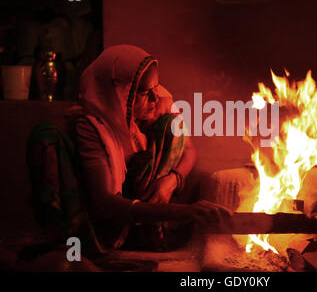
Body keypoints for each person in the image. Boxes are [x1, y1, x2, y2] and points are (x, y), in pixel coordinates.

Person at [27, 45, 231, 256]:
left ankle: (149, 233)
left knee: (173, 127)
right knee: (45, 135)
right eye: (145, 92)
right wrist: (184, 212)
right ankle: (70, 247)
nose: (155, 98)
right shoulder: (93, 125)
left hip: (143, 208)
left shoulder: (155, 105)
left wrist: (170, 182)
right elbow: (105, 202)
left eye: (156, 88)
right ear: (122, 93)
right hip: (104, 222)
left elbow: (189, 150)